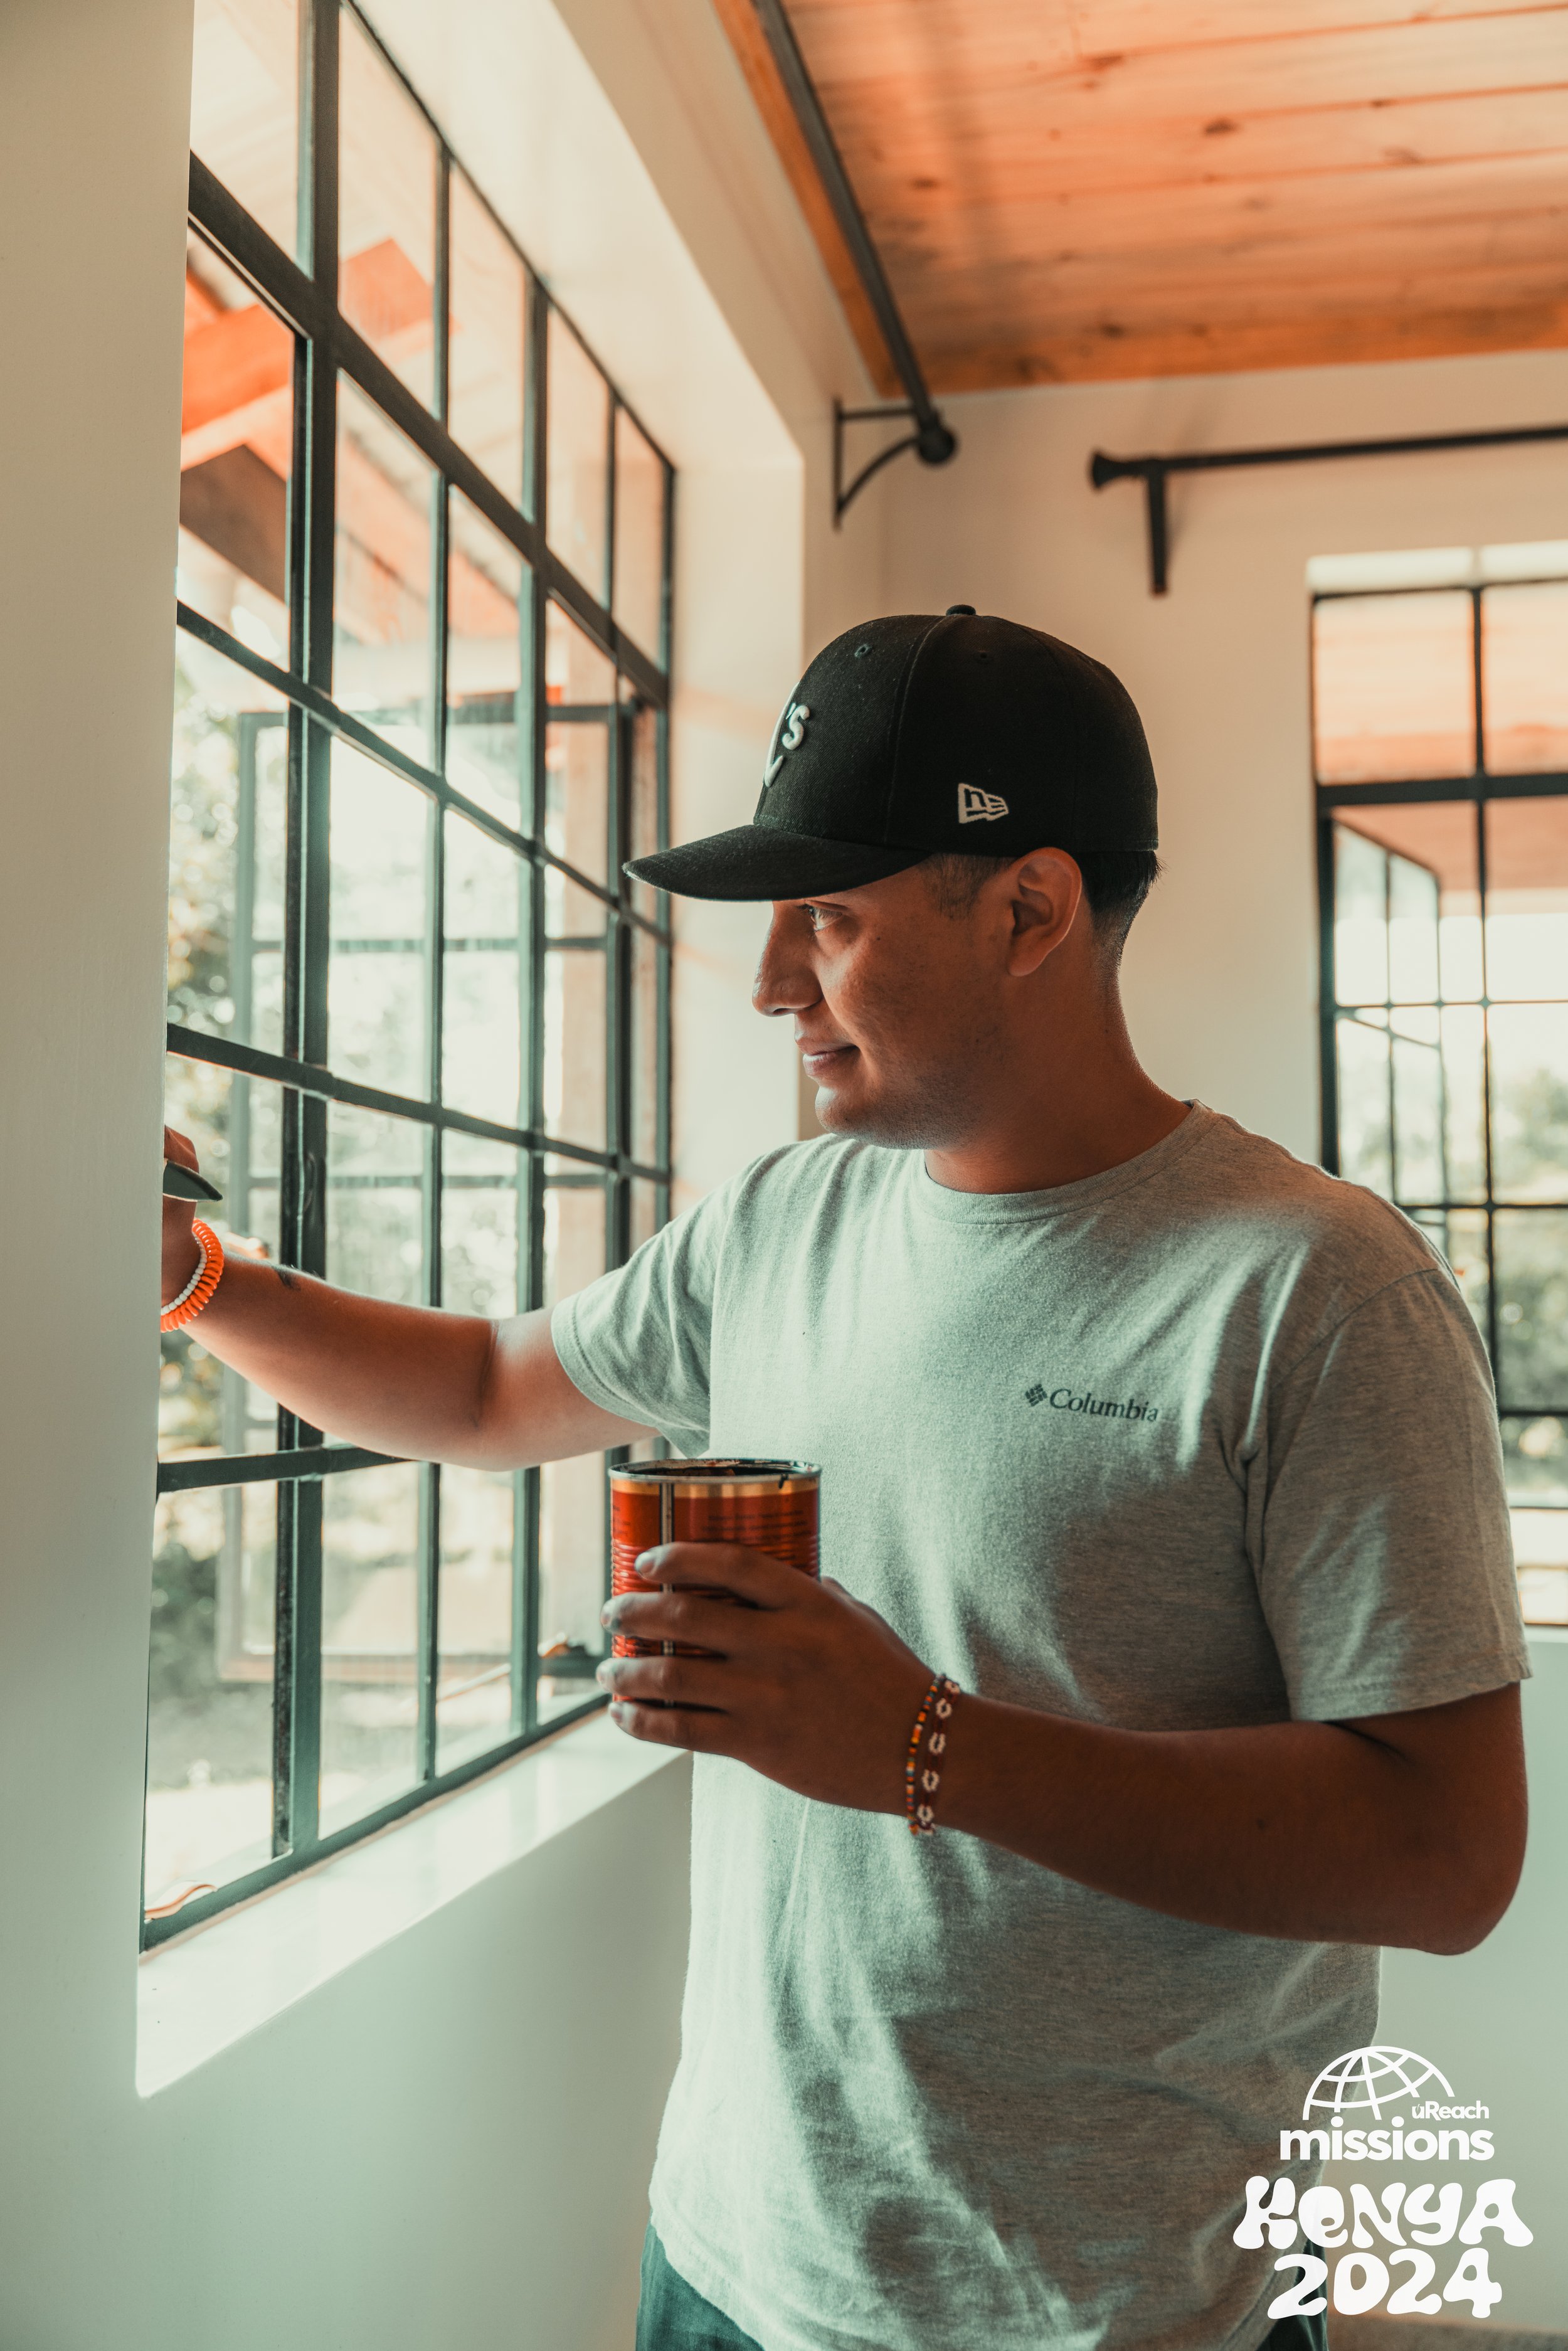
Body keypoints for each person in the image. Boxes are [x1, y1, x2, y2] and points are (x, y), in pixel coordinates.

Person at [162, 607, 1529, 2351]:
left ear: (1029, 909)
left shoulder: (1316, 1291)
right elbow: (491, 1386)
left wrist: (921, 1746)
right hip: (728, 2262)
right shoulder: (780, 1221)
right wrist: (193, 1280)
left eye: (827, 917)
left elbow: (1444, 1851)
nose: (770, 986)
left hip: (1114, 2311)